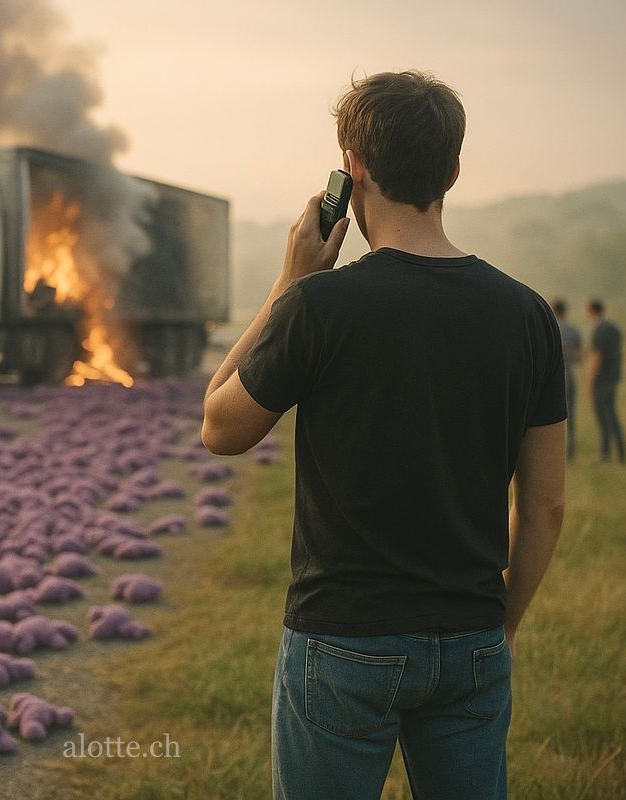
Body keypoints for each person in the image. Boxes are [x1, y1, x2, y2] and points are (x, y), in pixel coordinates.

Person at [201, 71, 566, 800]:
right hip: (471, 637)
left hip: (343, 638)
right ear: (453, 171)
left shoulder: (319, 306)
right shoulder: (528, 316)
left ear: (354, 167)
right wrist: (503, 626)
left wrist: (287, 281)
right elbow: (547, 506)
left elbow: (219, 427)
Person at [585, 298, 626, 463]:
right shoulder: (615, 328)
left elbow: (596, 357)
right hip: (613, 376)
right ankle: (621, 451)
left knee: (603, 415)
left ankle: (605, 452)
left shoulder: (599, 330)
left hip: (602, 378)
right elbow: (620, 354)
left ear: (592, 311)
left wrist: (589, 383)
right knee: (612, 413)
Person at [551, 299, 583, 459]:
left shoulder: (551, 327)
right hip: (569, 372)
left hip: (555, 374)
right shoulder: (573, 329)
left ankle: (556, 451)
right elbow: (579, 357)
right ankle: (570, 450)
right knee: (571, 412)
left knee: (553, 414)